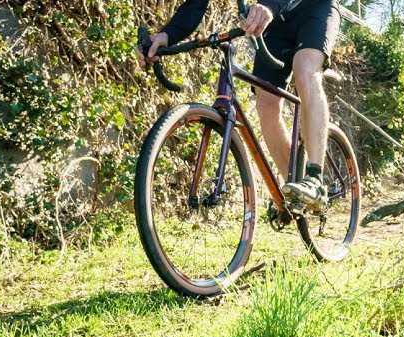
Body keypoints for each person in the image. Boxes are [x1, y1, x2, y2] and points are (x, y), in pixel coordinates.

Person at [136, 1, 339, 208]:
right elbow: (196, 4)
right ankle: (297, 191)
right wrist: (166, 36)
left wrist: (268, 5)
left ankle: (315, 179)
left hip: (314, 8)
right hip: (277, 22)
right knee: (265, 103)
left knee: (305, 71)